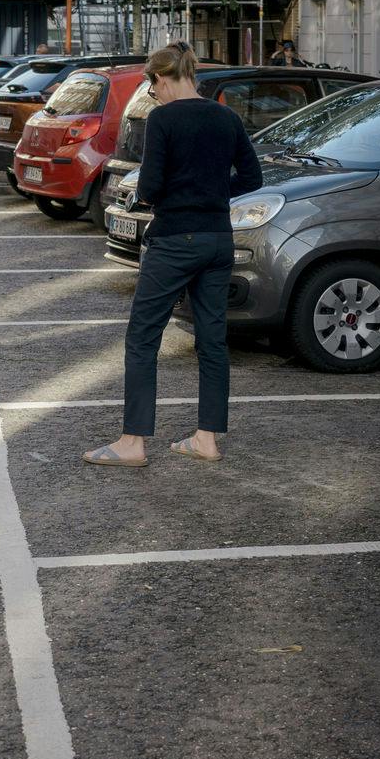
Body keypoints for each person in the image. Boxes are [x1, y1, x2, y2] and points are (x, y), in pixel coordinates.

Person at [85, 43, 262, 468]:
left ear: (161, 79)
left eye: (152, 86)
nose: (155, 94)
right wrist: (214, 193)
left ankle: (133, 443)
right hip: (218, 239)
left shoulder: (162, 118)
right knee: (213, 341)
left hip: (174, 241)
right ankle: (206, 438)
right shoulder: (227, 115)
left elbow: (149, 187)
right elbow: (252, 176)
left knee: (143, 338)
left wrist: (169, 196)